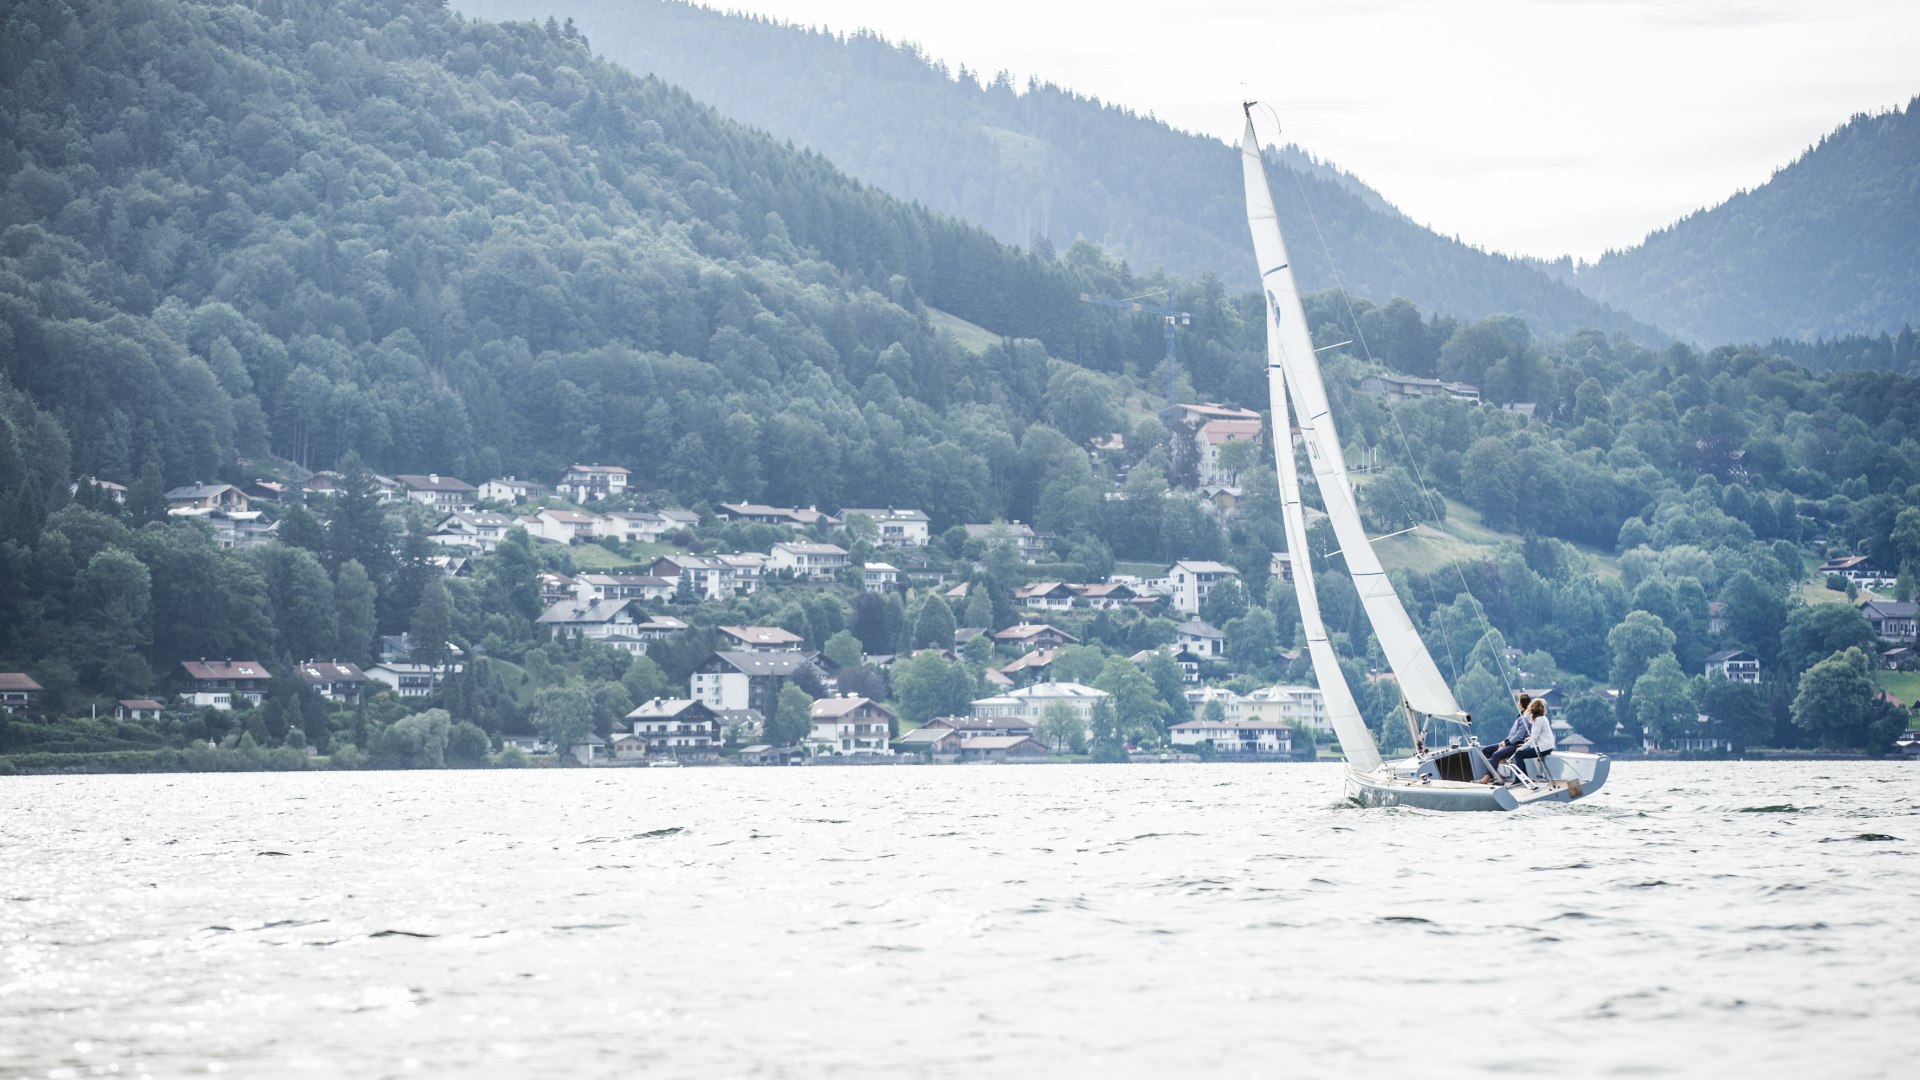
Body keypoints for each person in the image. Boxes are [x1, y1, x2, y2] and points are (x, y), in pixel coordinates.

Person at [1489, 699, 1555, 785]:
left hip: (1542, 748)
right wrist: (1528, 739)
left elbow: (1534, 739)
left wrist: (1521, 748)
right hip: (1548, 747)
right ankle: (1525, 777)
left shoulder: (1538, 720)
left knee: (1518, 755)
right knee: (1520, 754)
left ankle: (1520, 779)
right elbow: (1537, 735)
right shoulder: (1543, 718)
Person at [1480, 693, 1531, 782]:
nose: (1517, 703)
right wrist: (1504, 742)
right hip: (1510, 743)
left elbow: (1519, 736)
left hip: (1517, 745)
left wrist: (1506, 744)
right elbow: (1512, 735)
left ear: (1521, 703)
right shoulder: (1520, 716)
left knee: (1496, 754)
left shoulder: (1525, 718)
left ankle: (1487, 777)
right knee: (1486, 750)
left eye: (1518, 701)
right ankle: (1496, 774)